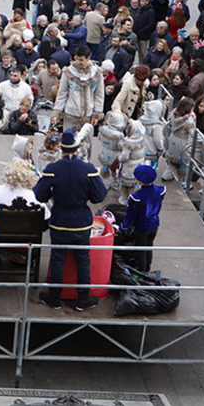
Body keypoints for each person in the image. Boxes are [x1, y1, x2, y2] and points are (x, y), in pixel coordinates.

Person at [33, 129, 107, 310]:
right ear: (77, 148)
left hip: (59, 220)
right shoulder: (88, 169)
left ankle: (55, 298)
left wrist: (53, 194)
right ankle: (83, 299)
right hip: (81, 222)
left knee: (58, 260)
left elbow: (39, 195)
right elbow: (99, 196)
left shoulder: (52, 169)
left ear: (62, 148)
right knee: (83, 261)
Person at [118, 165, 164, 272]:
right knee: (149, 246)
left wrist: (123, 227)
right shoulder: (160, 191)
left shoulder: (136, 197)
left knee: (141, 250)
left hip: (141, 227)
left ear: (139, 180)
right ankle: (148, 267)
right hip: (154, 224)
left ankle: (142, 271)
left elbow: (130, 216)